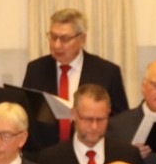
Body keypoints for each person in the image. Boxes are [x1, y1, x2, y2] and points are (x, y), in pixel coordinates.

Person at [21, 8, 131, 141]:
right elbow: (24, 115)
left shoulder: (107, 72)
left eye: (65, 39)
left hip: (90, 147)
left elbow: (120, 120)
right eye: (53, 37)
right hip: (44, 150)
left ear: (82, 39)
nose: (57, 45)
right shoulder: (36, 70)